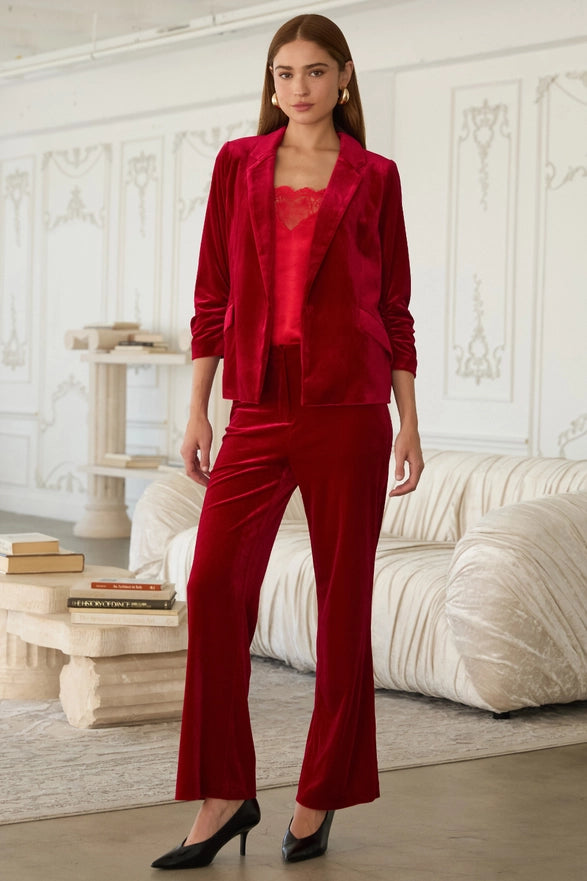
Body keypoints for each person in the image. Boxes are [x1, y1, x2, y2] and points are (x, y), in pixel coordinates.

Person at [151, 12, 424, 871]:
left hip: (351, 409)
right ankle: (223, 794)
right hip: (259, 405)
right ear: (269, 86)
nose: (295, 88)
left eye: (311, 72)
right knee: (213, 579)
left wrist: (409, 416)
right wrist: (200, 409)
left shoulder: (376, 177)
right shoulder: (237, 164)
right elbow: (211, 295)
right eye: (281, 74)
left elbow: (395, 309)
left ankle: (318, 796)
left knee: (345, 608)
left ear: (343, 78)